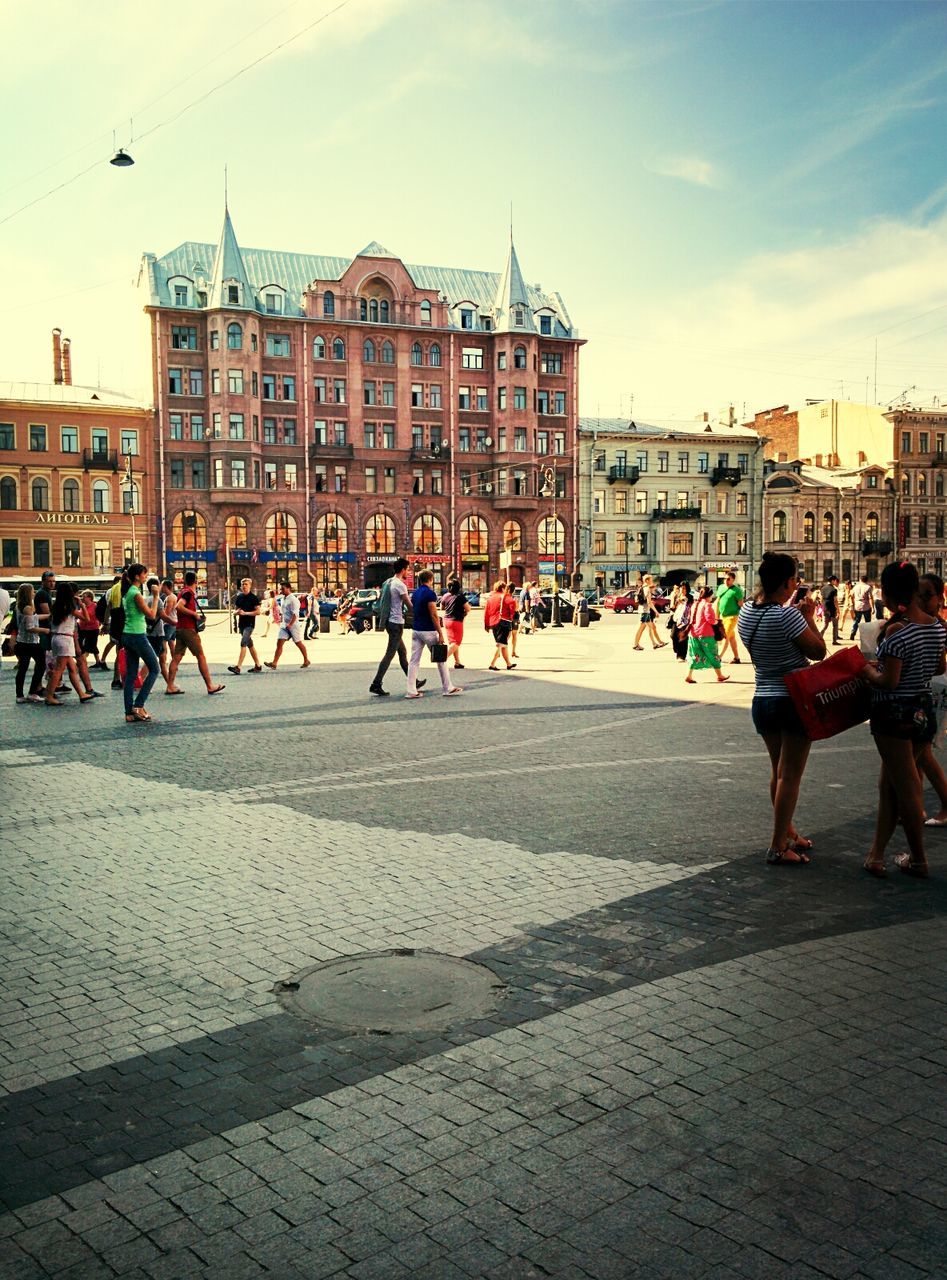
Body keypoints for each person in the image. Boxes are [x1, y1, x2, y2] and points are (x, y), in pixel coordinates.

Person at [738, 551, 827, 865]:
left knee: (778, 772)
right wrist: (809, 618)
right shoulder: (787, 615)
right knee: (789, 776)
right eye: (795, 579)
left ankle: (788, 832)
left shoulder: (747, 611)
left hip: (762, 699)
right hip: (792, 700)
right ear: (788, 582)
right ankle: (778, 845)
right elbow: (818, 652)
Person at [861, 562, 946, 878]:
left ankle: (919, 859)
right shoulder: (936, 627)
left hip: (895, 716)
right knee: (889, 785)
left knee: (908, 788)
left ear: (888, 593)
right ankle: (876, 855)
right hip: (924, 712)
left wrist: (866, 669)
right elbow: (939, 668)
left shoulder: (898, 634)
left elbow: (888, 682)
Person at [916, 572, 947, 828]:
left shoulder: (936, 626)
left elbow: (939, 667)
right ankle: (913, 807)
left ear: (940, 597)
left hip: (931, 694)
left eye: (928, 595)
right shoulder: (926, 623)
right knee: (917, 757)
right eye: (919, 595)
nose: (922, 600)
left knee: (922, 755)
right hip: (924, 694)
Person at [405, 569, 462, 698]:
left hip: (416, 630)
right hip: (429, 630)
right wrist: (440, 633)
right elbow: (434, 615)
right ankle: (448, 688)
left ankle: (411, 691)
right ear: (430, 579)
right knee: (440, 659)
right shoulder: (430, 594)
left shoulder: (415, 593)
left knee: (414, 661)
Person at [166, 571, 225, 695]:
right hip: (188, 629)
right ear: (196, 581)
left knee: (176, 657)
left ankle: (170, 686)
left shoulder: (182, 592)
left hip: (180, 628)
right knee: (201, 656)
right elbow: (179, 606)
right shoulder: (187, 593)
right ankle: (210, 685)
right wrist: (194, 614)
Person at [370, 558, 421, 696]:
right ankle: (376, 683)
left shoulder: (389, 582)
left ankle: (414, 681)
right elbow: (410, 606)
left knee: (402, 653)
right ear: (403, 569)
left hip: (390, 622)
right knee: (390, 654)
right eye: (408, 569)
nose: (408, 572)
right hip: (396, 623)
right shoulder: (400, 585)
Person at [120, 563, 162, 724]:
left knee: (131, 675)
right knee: (154, 668)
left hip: (127, 634)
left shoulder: (127, 592)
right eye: (144, 574)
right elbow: (151, 615)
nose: (146, 577)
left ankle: (128, 712)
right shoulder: (135, 593)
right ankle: (138, 705)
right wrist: (156, 596)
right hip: (138, 635)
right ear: (137, 576)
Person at [45, 582, 96, 707]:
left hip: (57, 638)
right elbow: (86, 619)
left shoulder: (56, 605)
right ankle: (49, 696)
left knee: (72, 668)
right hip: (65, 639)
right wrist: (82, 605)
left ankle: (81, 694)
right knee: (59, 669)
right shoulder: (69, 607)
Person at [685, 587, 730, 685]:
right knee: (713, 654)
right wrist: (717, 621)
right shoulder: (707, 605)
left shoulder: (695, 604)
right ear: (709, 596)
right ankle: (719, 675)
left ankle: (689, 675)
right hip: (706, 635)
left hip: (693, 634)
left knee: (694, 655)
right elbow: (710, 620)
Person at [265, 580, 311, 670]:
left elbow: (295, 614)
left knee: (298, 643)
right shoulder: (283, 599)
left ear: (288, 588)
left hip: (293, 625)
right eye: (280, 589)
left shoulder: (293, 600)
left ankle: (306, 660)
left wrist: (290, 624)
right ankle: (274, 663)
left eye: (282, 589)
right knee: (279, 643)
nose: (281, 590)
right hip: (284, 625)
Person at [13, 584, 46, 703]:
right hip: (30, 642)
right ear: (28, 593)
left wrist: (48, 615)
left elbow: (33, 618)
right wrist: (45, 630)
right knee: (41, 665)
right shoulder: (28, 608)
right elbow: (30, 627)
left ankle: (19, 695)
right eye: (32, 591)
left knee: (22, 668)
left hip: (21, 642)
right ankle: (32, 692)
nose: (34, 593)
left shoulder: (19, 607)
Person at [228, 577, 264, 675]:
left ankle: (238, 667)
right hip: (241, 625)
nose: (244, 586)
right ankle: (258, 665)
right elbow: (235, 611)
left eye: (246, 584)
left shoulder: (254, 598)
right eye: (243, 584)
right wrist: (237, 612)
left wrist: (246, 613)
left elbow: (258, 612)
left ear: (250, 586)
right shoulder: (239, 597)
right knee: (250, 645)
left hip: (250, 624)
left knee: (243, 642)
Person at [484, 580, 516, 671]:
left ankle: (508, 664)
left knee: (503, 644)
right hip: (503, 622)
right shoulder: (504, 596)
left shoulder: (490, 598)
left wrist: (486, 625)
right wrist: (512, 616)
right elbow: (512, 604)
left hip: (493, 623)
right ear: (502, 588)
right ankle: (492, 664)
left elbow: (486, 612)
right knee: (500, 644)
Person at [144, 578, 172, 685]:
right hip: (157, 633)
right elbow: (163, 616)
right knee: (152, 659)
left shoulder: (146, 599)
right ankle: (141, 680)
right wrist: (174, 622)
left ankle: (170, 683)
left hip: (149, 631)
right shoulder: (157, 600)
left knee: (162, 659)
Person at [714, 571, 745, 663]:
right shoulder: (721, 587)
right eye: (725, 579)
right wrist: (716, 616)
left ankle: (719, 657)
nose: (726, 581)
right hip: (722, 617)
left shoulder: (737, 590)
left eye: (728, 579)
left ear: (733, 580)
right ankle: (736, 658)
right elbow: (718, 602)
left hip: (732, 617)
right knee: (731, 637)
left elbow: (741, 604)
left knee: (725, 636)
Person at [632, 575, 667, 651]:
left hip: (645, 611)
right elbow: (649, 602)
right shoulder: (647, 588)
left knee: (651, 627)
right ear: (647, 580)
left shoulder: (643, 587)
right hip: (644, 611)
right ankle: (635, 644)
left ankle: (654, 644)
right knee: (641, 628)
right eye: (651, 580)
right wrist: (656, 611)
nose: (652, 581)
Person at [441, 579, 470, 669]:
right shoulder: (460, 597)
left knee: (453, 642)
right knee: (456, 643)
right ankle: (442, 659)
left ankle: (457, 662)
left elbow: (442, 608)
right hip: (456, 621)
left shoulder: (445, 596)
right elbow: (468, 608)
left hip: (447, 621)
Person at [77, 590, 102, 668]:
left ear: (89, 597)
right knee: (83, 644)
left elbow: (99, 616)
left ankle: (82, 661)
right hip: (82, 628)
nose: (82, 598)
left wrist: (100, 625)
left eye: (84, 597)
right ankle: (97, 662)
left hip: (92, 628)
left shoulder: (95, 606)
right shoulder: (82, 606)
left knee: (90, 645)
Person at [670, 585, 693, 662]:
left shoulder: (689, 597)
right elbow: (673, 607)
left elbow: (686, 600)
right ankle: (677, 650)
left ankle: (681, 656)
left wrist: (681, 600)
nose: (682, 590)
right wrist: (676, 601)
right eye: (681, 588)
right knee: (673, 635)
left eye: (684, 588)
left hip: (685, 620)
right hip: (676, 619)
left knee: (683, 638)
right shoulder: (677, 596)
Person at [849, 574, 873, 639]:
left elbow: (851, 595)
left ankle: (852, 633)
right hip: (866, 606)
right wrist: (872, 607)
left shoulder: (855, 587)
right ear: (867, 580)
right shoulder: (868, 587)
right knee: (867, 622)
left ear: (860, 580)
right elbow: (870, 598)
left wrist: (853, 604)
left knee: (856, 621)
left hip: (857, 606)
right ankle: (867, 635)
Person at [820, 575, 840, 645]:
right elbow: (835, 601)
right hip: (832, 609)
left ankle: (819, 638)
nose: (835, 582)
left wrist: (823, 606)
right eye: (835, 580)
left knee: (825, 625)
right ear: (832, 581)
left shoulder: (823, 588)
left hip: (825, 608)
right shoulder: (834, 590)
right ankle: (834, 641)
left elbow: (821, 599)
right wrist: (838, 610)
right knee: (835, 625)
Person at [507, 583, 522, 656]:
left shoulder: (504, 597)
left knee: (506, 636)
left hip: (506, 618)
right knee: (514, 635)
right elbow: (516, 609)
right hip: (514, 618)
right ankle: (513, 651)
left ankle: (500, 650)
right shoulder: (513, 599)